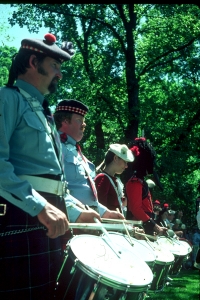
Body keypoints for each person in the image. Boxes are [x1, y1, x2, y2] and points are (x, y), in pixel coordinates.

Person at [0, 33, 79, 300]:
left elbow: (55, 179)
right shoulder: (7, 99)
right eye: (55, 66)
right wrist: (40, 206)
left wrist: (75, 211)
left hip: (47, 212)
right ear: (34, 61)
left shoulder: (44, 111)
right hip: (22, 213)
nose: (60, 74)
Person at [54, 99, 125, 300]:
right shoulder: (55, 147)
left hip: (87, 229)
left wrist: (105, 212)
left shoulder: (79, 154)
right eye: (79, 120)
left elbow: (88, 197)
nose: (84, 124)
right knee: (66, 291)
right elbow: (56, 190)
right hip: (67, 228)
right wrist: (77, 214)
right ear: (64, 122)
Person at [124, 137, 168, 236]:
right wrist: (156, 227)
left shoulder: (140, 182)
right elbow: (136, 210)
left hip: (144, 228)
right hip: (137, 231)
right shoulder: (134, 182)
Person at [94, 143, 134, 216]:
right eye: (125, 162)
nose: (126, 166)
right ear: (115, 158)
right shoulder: (103, 178)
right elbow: (100, 208)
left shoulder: (112, 180)